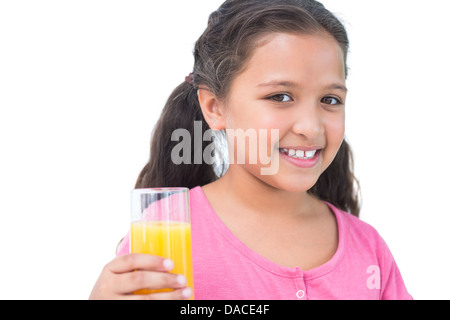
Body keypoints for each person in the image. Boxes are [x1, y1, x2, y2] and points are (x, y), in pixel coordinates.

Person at [89, 0, 412, 300]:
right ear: (215, 107)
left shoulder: (368, 247)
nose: (311, 127)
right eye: (280, 97)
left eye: (330, 100)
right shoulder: (167, 236)